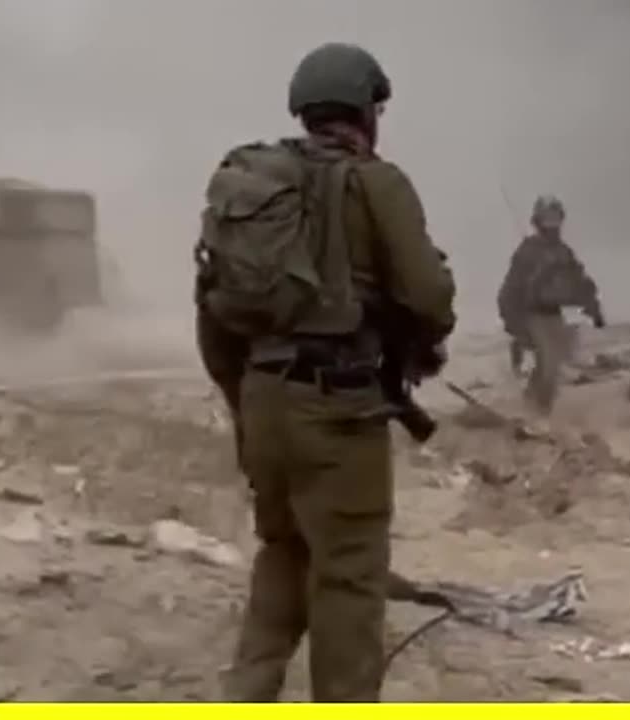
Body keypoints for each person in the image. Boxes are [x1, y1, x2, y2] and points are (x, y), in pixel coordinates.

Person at [194, 41, 456, 702]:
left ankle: (244, 700)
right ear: (367, 111)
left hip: (264, 403)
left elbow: (213, 313)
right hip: (338, 410)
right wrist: (418, 343)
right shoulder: (376, 183)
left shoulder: (256, 188)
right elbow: (430, 297)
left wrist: (246, 405)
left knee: (282, 555)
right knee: (349, 576)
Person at [496, 195, 604, 414]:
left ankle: (535, 405)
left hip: (554, 314)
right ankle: (536, 410)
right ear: (538, 221)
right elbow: (510, 290)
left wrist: (594, 309)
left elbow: (581, 282)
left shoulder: (564, 253)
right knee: (548, 363)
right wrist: (514, 324)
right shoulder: (528, 251)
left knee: (555, 367)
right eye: (547, 218)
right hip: (532, 315)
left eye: (555, 218)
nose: (552, 224)